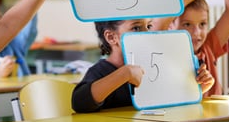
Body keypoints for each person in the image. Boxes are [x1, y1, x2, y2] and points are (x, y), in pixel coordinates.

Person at [71, 18, 215, 113]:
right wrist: (124, 74)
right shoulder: (101, 71)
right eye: (137, 28)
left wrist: (197, 89)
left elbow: (165, 102)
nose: (147, 34)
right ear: (111, 37)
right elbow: (79, 102)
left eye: (149, 26)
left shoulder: (154, 66)